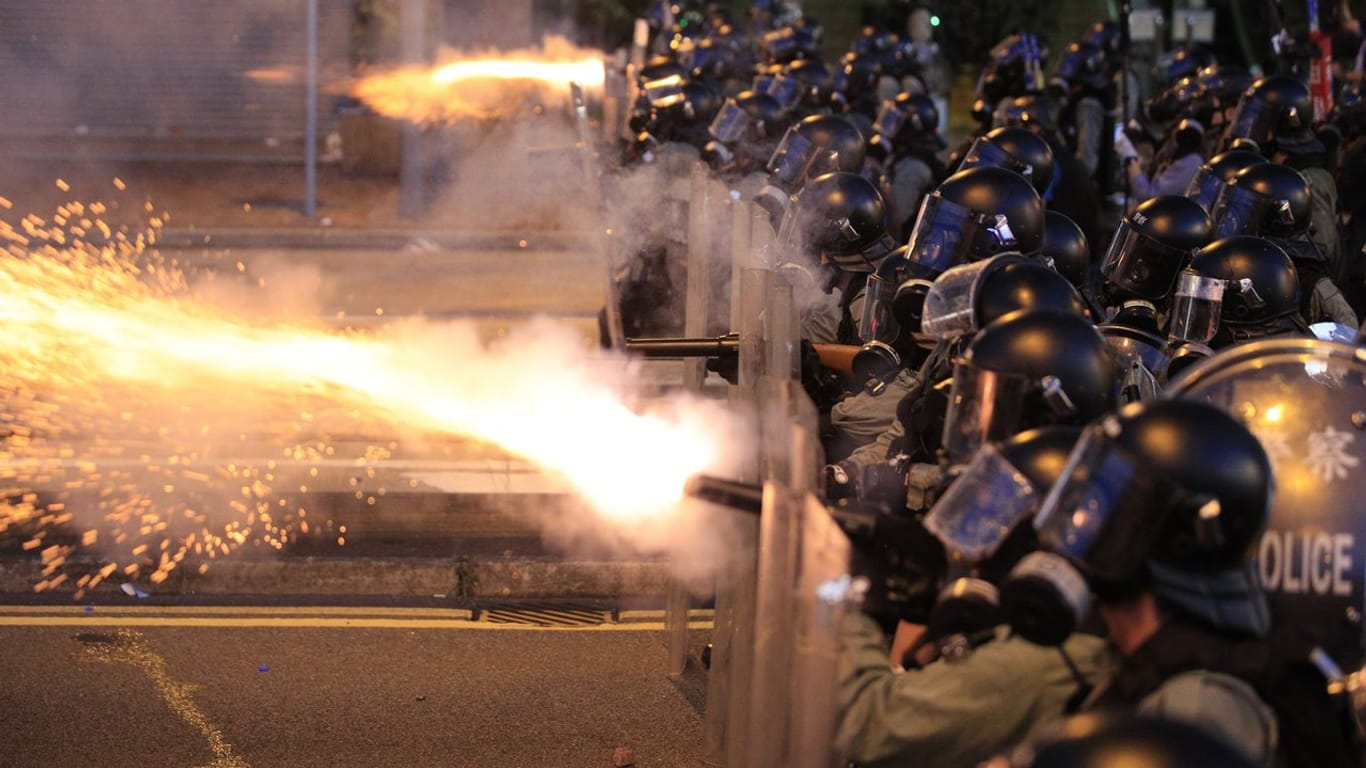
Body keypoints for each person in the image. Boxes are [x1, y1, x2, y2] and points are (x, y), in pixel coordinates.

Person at [1011, 397, 1351, 766]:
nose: (1084, 521)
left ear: (1178, 537)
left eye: (1109, 504)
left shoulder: (1200, 709)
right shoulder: (1149, 664)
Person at [868, 91, 946, 239]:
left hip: (902, 246)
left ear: (913, 125)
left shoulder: (915, 167)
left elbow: (897, 216)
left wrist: (875, 170)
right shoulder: (902, 156)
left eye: (896, 121)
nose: (890, 126)